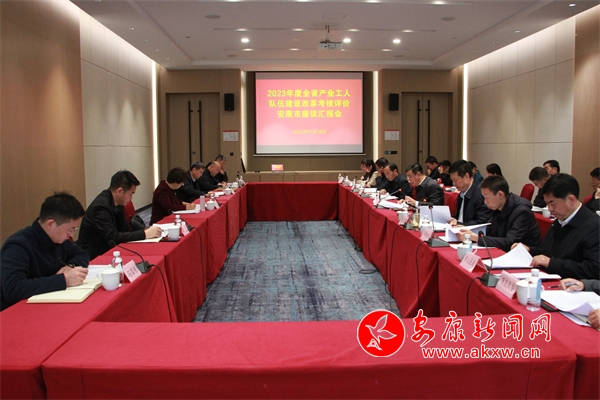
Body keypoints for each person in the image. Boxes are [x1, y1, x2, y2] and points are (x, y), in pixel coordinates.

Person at [1, 192, 89, 310]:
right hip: (16, 310)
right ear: (50, 224)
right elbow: (13, 288)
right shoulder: (17, 246)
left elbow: (82, 253)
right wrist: (63, 280)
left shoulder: (58, 239)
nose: (71, 235)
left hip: (48, 303)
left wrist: (71, 266)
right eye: (70, 230)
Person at [521, 174, 599, 280]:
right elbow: (548, 252)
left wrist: (552, 263)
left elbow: (594, 269)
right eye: (547, 203)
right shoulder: (559, 220)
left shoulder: (594, 226)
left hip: (571, 285)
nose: (549, 209)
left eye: (552, 203)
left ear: (571, 200)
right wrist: (529, 250)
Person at [78, 170, 162, 260]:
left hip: (110, 251)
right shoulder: (101, 207)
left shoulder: (118, 202)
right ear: (119, 191)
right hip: (93, 257)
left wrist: (143, 234)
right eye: (131, 194)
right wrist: (144, 234)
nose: (131, 198)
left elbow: (125, 229)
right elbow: (112, 237)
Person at [457, 175, 541, 252]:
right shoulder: (497, 206)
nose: (485, 202)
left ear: (500, 195)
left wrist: (476, 238)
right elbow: (489, 231)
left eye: (487, 198)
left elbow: (510, 242)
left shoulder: (522, 212)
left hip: (526, 257)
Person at [448, 160, 492, 226]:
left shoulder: (480, 195)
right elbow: (460, 217)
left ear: (467, 176)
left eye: (455, 180)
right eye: (452, 181)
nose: (453, 183)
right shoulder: (461, 195)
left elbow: (482, 222)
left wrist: (460, 224)